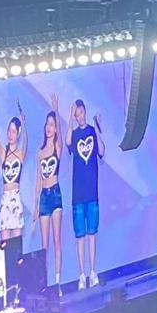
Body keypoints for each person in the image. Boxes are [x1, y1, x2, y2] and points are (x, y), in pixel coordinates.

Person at [66, 99, 105, 291]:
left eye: (81, 112)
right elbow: (67, 142)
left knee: (92, 234)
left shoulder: (91, 131)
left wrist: (97, 128)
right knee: (80, 236)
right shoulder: (74, 134)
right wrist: (69, 117)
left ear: (85, 112)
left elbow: (102, 151)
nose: (79, 116)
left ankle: (93, 272)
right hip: (78, 195)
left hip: (92, 193)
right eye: (76, 114)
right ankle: (81, 275)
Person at [33, 95, 65, 295]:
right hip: (44, 197)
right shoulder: (40, 152)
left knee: (57, 241)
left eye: (52, 124)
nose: (49, 127)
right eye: (47, 124)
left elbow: (60, 138)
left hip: (56, 194)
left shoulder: (56, 148)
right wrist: (35, 206)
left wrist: (56, 111)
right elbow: (38, 179)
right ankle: (45, 284)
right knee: (44, 245)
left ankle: (58, 283)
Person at [0, 100, 28, 248]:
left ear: (18, 134)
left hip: (16, 199)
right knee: (6, 245)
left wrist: (24, 124)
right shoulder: (3, 153)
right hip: (5, 201)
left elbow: (27, 142)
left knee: (17, 246)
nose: (10, 134)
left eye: (13, 131)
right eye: (9, 131)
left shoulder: (21, 154)